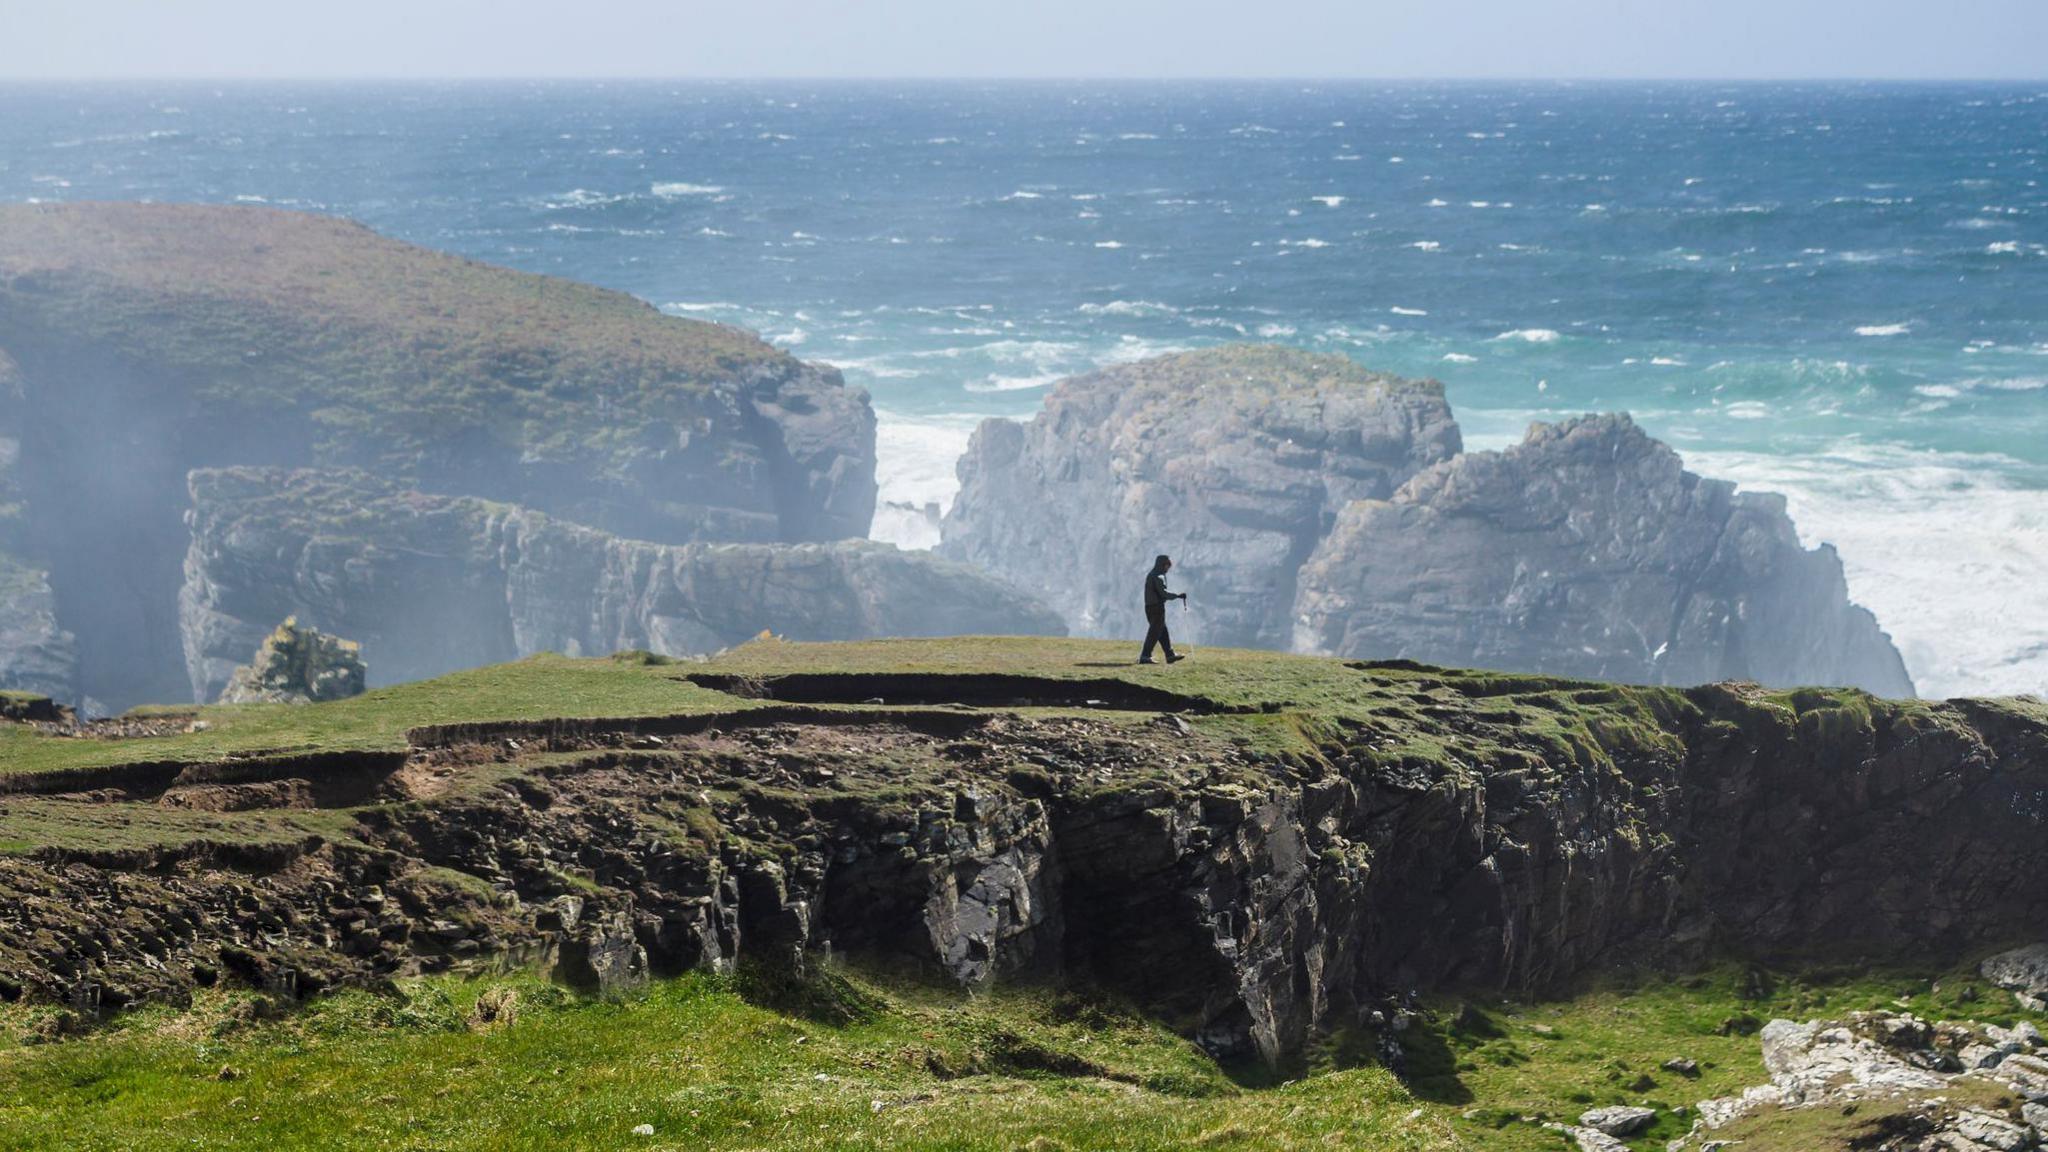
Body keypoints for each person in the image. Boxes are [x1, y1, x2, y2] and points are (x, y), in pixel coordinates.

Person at [1138, 554, 1187, 664]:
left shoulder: (1153, 574)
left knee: (1162, 632)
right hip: (1156, 608)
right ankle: (1145, 656)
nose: (1168, 569)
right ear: (1162, 565)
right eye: (1167, 566)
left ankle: (1169, 655)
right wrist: (1178, 596)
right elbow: (1164, 594)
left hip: (1150, 607)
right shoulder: (1158, 577)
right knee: (1154, 633)